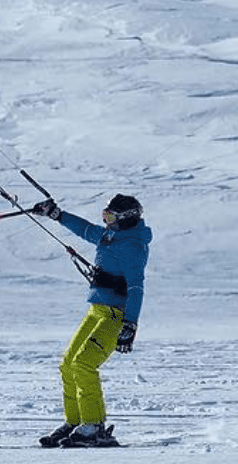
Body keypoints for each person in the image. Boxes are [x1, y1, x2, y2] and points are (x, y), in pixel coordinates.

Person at [30, 192, 151, 448]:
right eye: (104, 216)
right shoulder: (110, 235)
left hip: (116, 315)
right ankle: (76, 422)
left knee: (84, 365)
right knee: (67, 364)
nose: (105, 221)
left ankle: (94, 427)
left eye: (110, 216)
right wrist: (57, 215)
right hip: (97, 311)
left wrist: (131, 323)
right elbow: (84, 229)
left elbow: (137, 287)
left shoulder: (132, 246)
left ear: (125, 219)